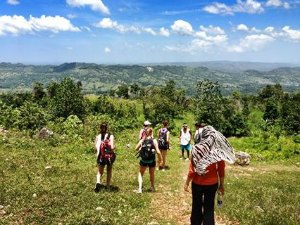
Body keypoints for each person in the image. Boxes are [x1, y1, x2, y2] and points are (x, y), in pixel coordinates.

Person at [184, 125, 235, 225]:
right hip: (212, 184)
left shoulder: (196, 149)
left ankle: (196, 222)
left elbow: (192, 171)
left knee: (196, 206)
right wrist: (222, 185)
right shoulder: (217, 151)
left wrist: (186, 183)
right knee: (209, 207)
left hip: (197, 184)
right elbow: (221, 170)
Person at [135, 128, 162, 193]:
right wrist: (160, 159)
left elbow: (136, 148)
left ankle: (140, 189)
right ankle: (152, 188)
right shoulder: (154, 140)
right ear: (151, 132)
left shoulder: (142, 140)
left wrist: (140, 147)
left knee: (140, 174)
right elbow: (158, 152)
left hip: (143, 160)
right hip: (152, 160)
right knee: (152, 174)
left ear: (145, 133)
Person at [94, 123, 116, 192]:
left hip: (100, 156)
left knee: (100, 171)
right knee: (109, 171)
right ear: (107, 128)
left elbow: (95, 147)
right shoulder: (110, 136)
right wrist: (114, 146)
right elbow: (112, 147)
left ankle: (98, 182)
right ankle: (108, 186)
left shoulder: (97, 137)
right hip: (108, 156)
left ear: (100, 128)